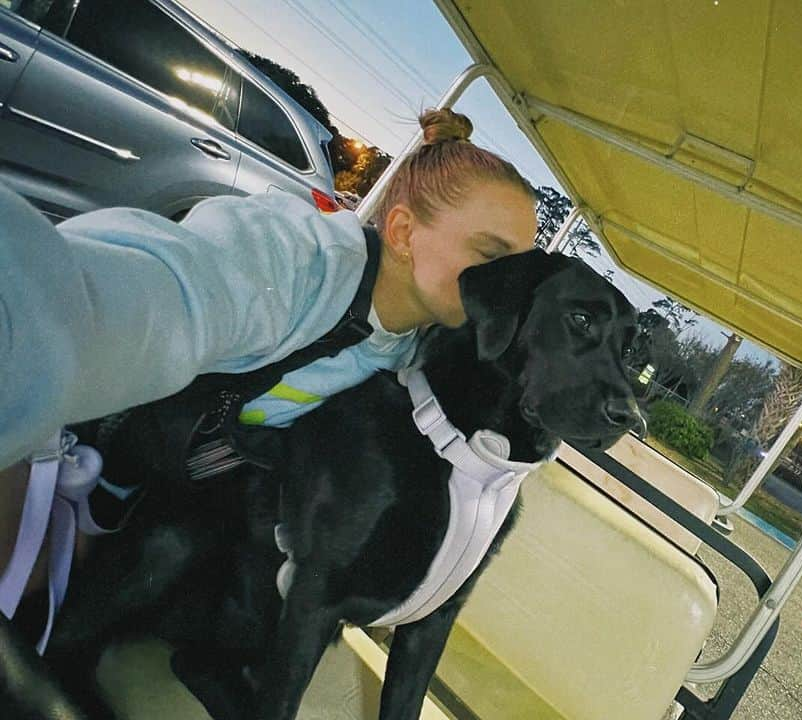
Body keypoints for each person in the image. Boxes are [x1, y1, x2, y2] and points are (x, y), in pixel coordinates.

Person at [0, 108, 539, 589]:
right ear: (402, 232)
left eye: (520, 270)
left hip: (181, 500)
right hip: (75, 453)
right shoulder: (295, 260)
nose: (507, 287)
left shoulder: (428, 352)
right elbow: (130, 297)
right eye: (491, 257)